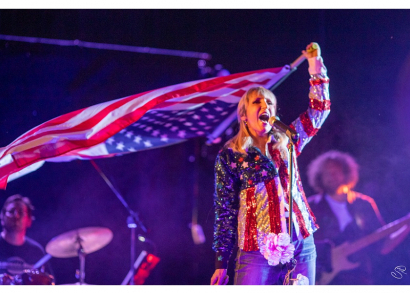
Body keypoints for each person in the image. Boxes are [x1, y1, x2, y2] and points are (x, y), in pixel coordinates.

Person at [210, 42, 330, 285]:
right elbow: (225, 210)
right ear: (244, 115)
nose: (265, 106)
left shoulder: (288, 140)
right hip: (256, 252)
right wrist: (221, 262)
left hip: (301, 243)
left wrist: (315, 66)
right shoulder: (231, 155)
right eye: (257, 103)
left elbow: (319, 110)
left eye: (270, 103)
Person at [306, 150, 385, 285]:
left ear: (346, 173)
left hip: (360, 278)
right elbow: (303, 245)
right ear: (319, 177)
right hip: (325, 279)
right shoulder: (310, 206)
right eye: (326, 173)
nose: (331, 176)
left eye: (335, 171)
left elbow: (382, 242)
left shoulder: (364, 203)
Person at [0, 194, 53, 283]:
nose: (16, 216)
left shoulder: (36, 251)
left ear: (29, 220)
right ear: (2, 217)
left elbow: (48, 283)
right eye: (11, 211)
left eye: (20, 212)